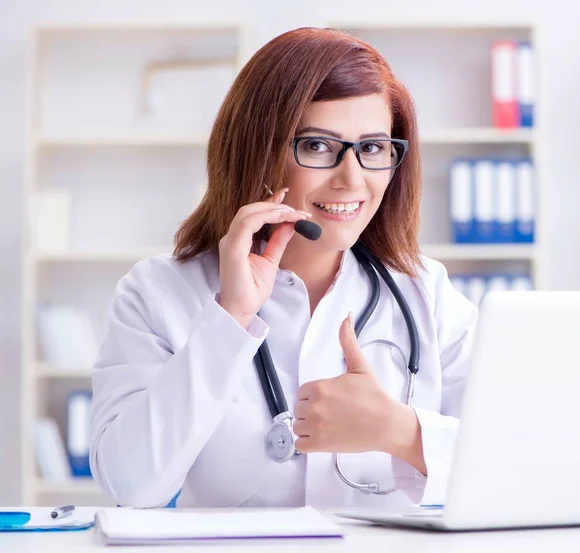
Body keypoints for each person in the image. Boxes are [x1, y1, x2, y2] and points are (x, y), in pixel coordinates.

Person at [89, 27, 477, 509]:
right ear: (258, 150)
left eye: (373, 148)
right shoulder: (158, 292)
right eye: (317, 145)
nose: (351, 178)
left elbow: (513, 466)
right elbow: (131, 483)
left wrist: (399, 431)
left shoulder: (428, 294)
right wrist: (228, 320)